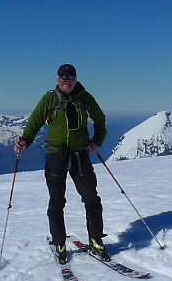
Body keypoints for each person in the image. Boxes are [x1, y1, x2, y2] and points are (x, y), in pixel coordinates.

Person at [14, 64, 110, 265]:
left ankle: (96, 240)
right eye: (63, 76)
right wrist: (25, 140)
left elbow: (100, 119)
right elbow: (35, 121)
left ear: (76, 78)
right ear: (57, 78)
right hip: (55, 156)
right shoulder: (49, 98)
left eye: (71, 77)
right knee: (56, 201)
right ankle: (59, 243)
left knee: (91, 198)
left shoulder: (85, 98)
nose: (67, 80)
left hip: (80, 155)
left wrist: (97, 141)